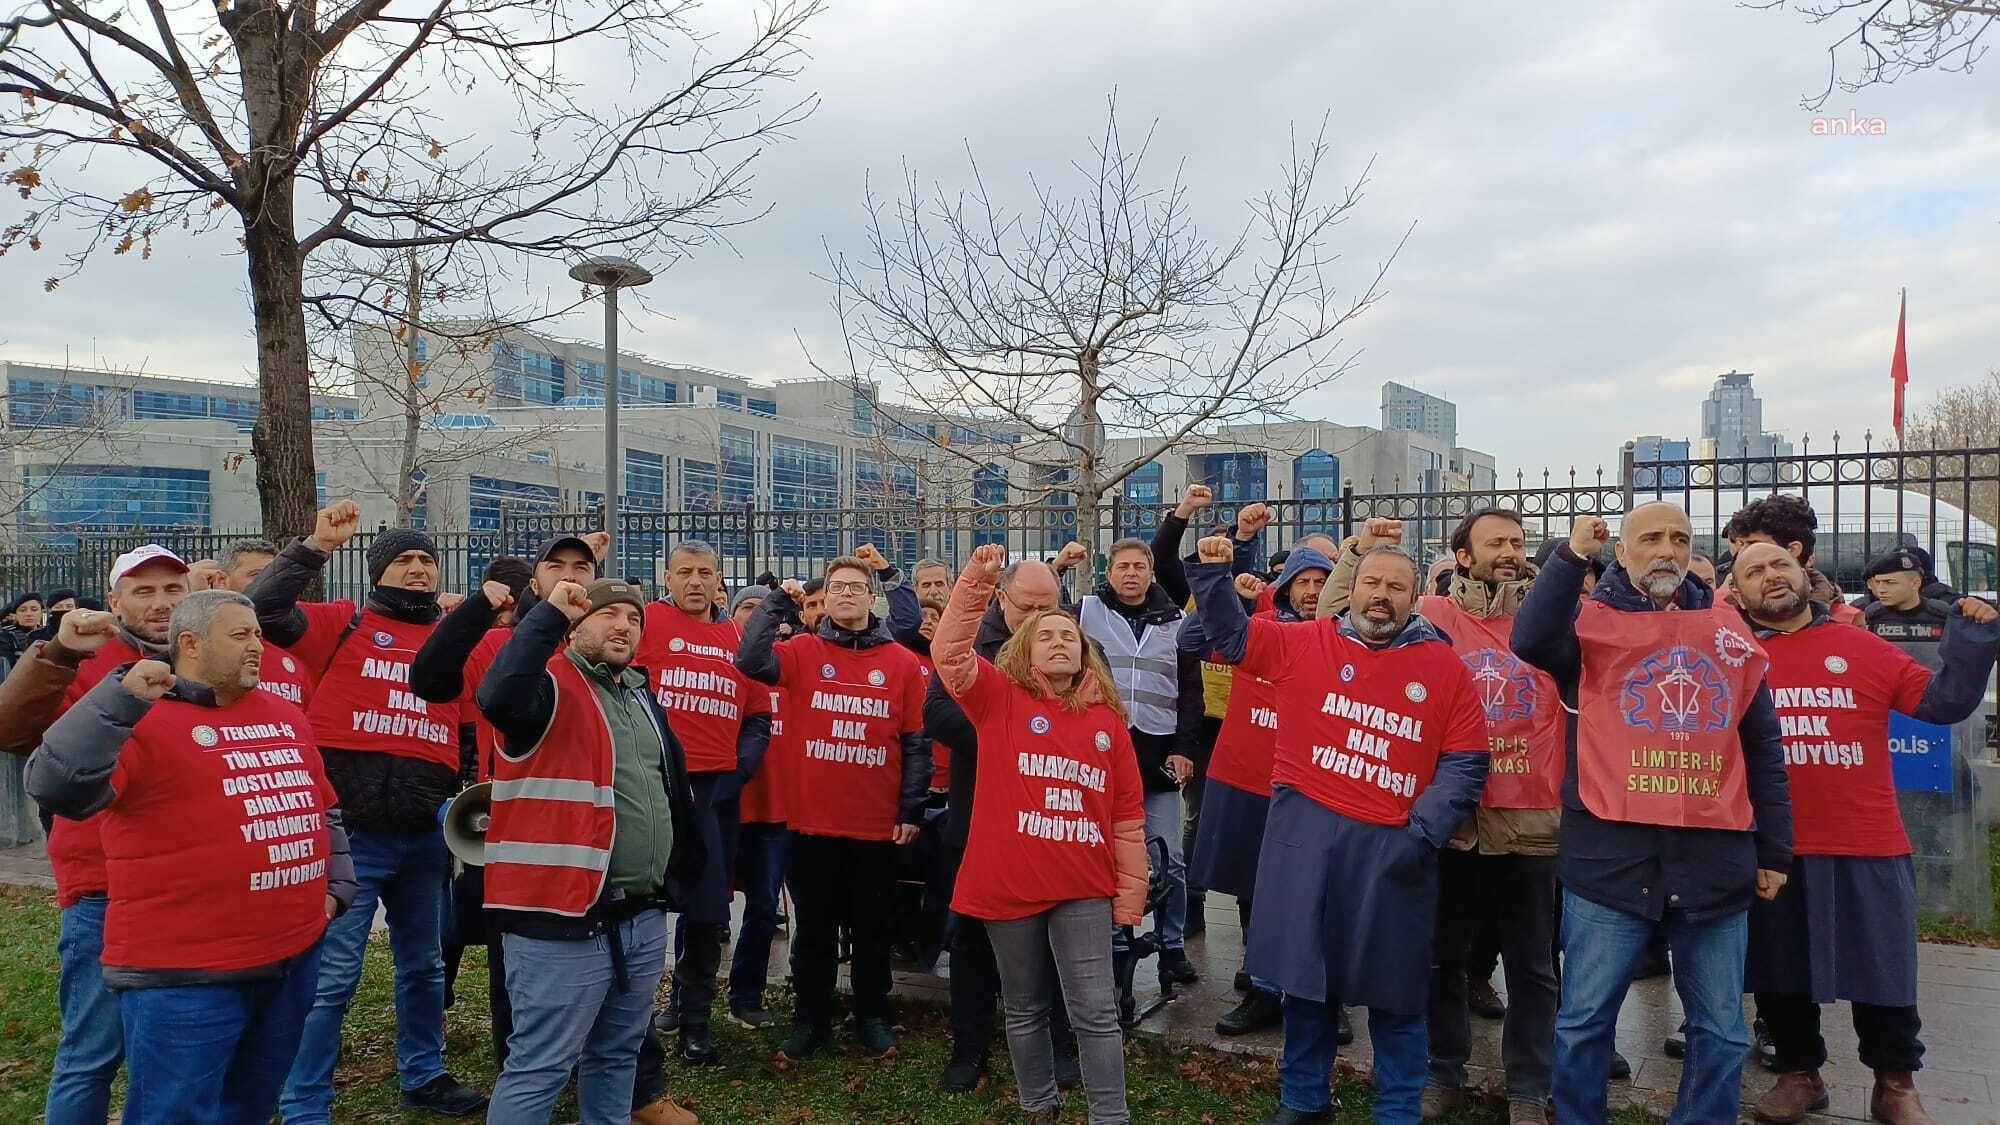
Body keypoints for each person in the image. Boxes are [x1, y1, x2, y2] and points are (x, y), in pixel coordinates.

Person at [26, 589, 359, 1124]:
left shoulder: (284, 714)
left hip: (290, 958)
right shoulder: (139, 715)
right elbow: (56, 785)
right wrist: (117, 703)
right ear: (190, 643)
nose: (258, 647)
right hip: (184, 975)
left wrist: (336, 890)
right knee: (174, 1113)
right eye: (240, 636)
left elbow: (324, 806)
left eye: (257, 635)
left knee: (251, 1106)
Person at [1191, 535, 1490, 1125]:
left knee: (1398, 996)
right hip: (1306, 844)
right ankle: (1304, 1102)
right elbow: (1230, 638)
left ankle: (1398, 1109)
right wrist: (1212, 573)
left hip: (1394, 852)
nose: (1381, 597)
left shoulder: (1444, 668)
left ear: (1415, 599)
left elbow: (1466, 758)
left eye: (1396, 587)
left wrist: (1423, 831)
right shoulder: (1304, 642)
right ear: (1351, 589)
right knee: (1306, 989)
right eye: (1372, 584)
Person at [1511, 504, 1794, 1125]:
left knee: (1721, 1031)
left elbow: (1762, 746)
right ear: (1623, 551)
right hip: (1611, 864)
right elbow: (1529, 640)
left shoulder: (1727, 631)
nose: (1666, 549)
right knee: (1585, 1022)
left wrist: (1775, 850)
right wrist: (1567, 557)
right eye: (1651, 538)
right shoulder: (1588, 627)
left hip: (1713, 866)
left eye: (1680, 538)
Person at [1729, 542, 1998, 1125]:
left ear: (1804, 572)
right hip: (1774, 845)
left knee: (1885, 969)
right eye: (1753, 571)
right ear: (1738, 593)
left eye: (1779, 564)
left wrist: (1975, 640)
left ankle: (1894, 1083)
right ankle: (1800, 1074)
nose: (1770, 577)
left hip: (1867, 838)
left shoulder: (1860, 646)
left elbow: (1943, 704)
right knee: (1780, 969)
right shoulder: (1734, 657)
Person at [1322, 512, 1565, 1124]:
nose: (1509, 552)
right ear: (1462, 555)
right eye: (1495, 543)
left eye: (1517, 542)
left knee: (1533, 967)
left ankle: (1530, 1090)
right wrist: (1360, 551)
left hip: (1529, 817)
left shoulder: (1551, 620)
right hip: (1449, 818)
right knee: (1442, 958)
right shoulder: (1429, 618)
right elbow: (1336, 624)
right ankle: (1443, 1073)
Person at [251, 500, 488, 1122]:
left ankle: (424, 1073)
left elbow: (464, 734)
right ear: (378, 571)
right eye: (404, 559)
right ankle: (304, 1101)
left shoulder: (450, 643)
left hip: (423, 836)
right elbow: (262, 610)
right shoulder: (344, 624)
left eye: (427, 561)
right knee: (333, 978)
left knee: (425, 965)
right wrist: (316, 545)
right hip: (352, 837)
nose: (418, 569)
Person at [475, 578, 705, 1125]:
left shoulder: (640, 696)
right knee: (540, 1066)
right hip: (559, 915)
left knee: (618, 1054)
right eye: (608, 615)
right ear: (574, 626)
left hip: (640, 913)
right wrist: (547, 616)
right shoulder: (546, 686)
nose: (624, 625)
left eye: (634, 617)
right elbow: (498, 696)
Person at [933, 545, 1147, 1125]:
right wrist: (977, 579)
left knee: (1095, 1012)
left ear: (1084, 653)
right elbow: (950, 654)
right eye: (1043, 634)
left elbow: (1127, 817)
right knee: (1024, 1008)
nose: (1057, 641)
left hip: (1081, 886)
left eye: (1068, 635)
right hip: (1008, 885)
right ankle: (1039, 1107)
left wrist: (1129, 894)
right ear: (1022, 648)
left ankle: (1110, 1115)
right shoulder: (997, 701)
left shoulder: (1107, 723)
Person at [0, 545, 191, 1125]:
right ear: (114, 602)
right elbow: (12, 729)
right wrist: (56, 651)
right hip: (105, 888)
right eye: (143, 591)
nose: (160, 604)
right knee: (93, 1053)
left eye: (172, 590)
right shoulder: (83, 657)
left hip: (189, 890)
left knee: (174, 1057)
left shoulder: (204, 657)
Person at [409, 539, 603, 1082]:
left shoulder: (614, 639)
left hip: (596, 829)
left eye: (582, 567)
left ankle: (599, 1070)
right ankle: (519, 1074)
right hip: (517, 833)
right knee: (513, 960)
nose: (570, 576)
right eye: (556, 566)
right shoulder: (501, 645)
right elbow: (430, 679)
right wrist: (475, 609)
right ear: (534, 584)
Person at [735, 556, 932, 1062]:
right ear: (828, 598)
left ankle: (871, 1017)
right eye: (838, 586)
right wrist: (780, 599)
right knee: (815, 929)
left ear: (872, 597)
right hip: (812, 823)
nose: (847, 594)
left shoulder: (903, 664)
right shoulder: (801, 651)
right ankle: (810, 1020)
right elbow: (751, 661)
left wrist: (911, 810)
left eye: (856, 586)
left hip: (876, 826)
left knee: (873, 930)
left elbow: (915, 742)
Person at [922, 553, 1085, 1092]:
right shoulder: (973, 643)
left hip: (1055, 820)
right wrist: (1006, 734)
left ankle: (1061, 1044)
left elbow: (1099, 710)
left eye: (1049, 606)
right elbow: (938, 713)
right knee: (971, 937)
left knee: (1058, 937)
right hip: (981, 814)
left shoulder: (1073, 643)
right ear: (1002, 600)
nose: (1041, 618)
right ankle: (969, 1044)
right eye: (1028, 608)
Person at [1181, 541, 1332, 1040]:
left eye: (1321, 581)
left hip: (1315, 783)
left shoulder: (1349, 640)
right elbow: (1192, 639)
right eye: (1302, 582)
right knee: (1253, 886)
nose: (1311, 592)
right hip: (1249, 775)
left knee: (1319, 894)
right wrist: (1237, 598)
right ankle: (1262, 987)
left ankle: (1320, 999)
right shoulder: (1260, 626)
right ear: (1285, 587)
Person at [640, 540, 773, 1064]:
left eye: (705, 574)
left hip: (715, 794)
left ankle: (694, 1018)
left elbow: (759, 717)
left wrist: (737, 770)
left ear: (719, 581)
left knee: (705, 913)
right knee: (640, 909)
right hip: (652, 789)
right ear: (667, 578)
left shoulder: (737, 637)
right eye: (685, 573)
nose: (695, 582)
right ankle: (632, 1021)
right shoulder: (647, 622)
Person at [1076, 537, 1205, 989]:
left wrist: (1185, 748)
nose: (1130, 574)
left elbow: (1192, 690)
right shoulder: (1086, 612)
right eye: (1122, 566)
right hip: (1103, 754)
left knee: (1168, 858)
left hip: (1158, 753)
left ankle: (1171, 946)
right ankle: (1115, 944)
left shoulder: (1177, 621)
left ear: (1152, 572)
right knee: (1107, 857)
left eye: (1139, 566)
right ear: (1108, 572)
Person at [726, 584, 794, 1031]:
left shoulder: (788, 668)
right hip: (726, 805)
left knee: (765, 906)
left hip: (773, 811)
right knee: (704, 907)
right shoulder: (723, 666)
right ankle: (681, 1001)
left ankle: (746, 993)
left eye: (763, 612)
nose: (756, 619)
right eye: (747, 610)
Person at [1723, 495, 1862, 625]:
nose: (1741, 552)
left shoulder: (1847, 622)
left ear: (1793, 550)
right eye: (1741, 544)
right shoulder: (1721, 622)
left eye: (1753, 544)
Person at [1861, 549, 1955, 645]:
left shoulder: (1941, 613)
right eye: (1878, 582)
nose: (1880, 589)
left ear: (1915, 584)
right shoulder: (1872, 615)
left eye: (1890, 583)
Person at [1, 591, 44, 662]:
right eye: (22, 610)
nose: (28, 614)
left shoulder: (48, 634)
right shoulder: (5, 637)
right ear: (15, 615)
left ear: (41, 612)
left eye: (34, 610)